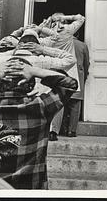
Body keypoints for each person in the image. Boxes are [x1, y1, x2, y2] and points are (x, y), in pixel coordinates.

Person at [0, 58, 78, 189]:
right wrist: (34, 71)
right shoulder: (40, 107)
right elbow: (69, 84)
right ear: (30, 84)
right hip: (30, 187)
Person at [36, 13, 85, 141]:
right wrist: (66, 18)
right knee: (59, 101)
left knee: (46, 98)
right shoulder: (68, 30)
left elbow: (35, 34)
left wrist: (46, 23)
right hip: (65, 69)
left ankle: (44, 128)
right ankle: (53, 131)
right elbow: (81, 18)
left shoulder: (48, 33)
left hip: (49, 68)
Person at [64, 34, 90, 137]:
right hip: (77, 77)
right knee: (75, 104)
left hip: (64, 76)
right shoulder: (82, 45)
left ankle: (61, 129)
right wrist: (84, 76)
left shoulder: (62, 44)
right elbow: (86, 63)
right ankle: (72, 130)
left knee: (62, 104)